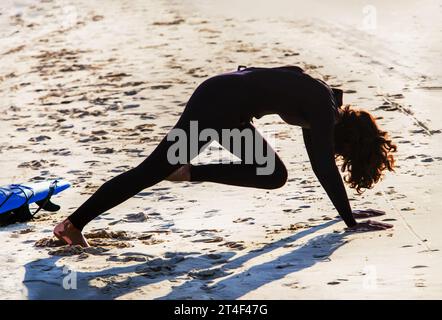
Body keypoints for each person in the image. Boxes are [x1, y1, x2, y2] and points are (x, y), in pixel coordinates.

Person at [54, 65, 396, 247]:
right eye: (345, 152)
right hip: (216, 105)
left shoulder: (322, 100)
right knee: (151, 171)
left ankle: (189, 171)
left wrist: (346, 211)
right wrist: (351, 223)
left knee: (272, 174)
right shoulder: (323, 108)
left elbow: (316, 159)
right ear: (347, 141)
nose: (335, 153)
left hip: (228, 105)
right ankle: (72, 225)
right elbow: (323, 164)